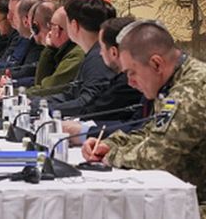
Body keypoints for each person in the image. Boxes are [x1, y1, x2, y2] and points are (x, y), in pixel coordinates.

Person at [82, 20, 206, 209]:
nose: (130, 82)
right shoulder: (175, 83)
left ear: (156, 64)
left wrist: (112, 156)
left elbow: (156, 156)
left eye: (132, 73)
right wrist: (111, 143)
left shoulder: (191, 90)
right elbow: (150, 133)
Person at [63, 16, 146, 144]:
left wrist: (86, 132)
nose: (100, 54)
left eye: (101, 47)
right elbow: (136, 126)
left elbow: (140, 131)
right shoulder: (134, 80)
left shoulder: (132, 82)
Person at [41, 0, 116, 116]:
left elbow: (87, 103)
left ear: (74, 25)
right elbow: (72, 94)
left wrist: (46, 109)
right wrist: (37, 103)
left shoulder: (98, 57)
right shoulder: (94, 53)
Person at [26, 6, 85, 96]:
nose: (50, 31)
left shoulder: (76, 55)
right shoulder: (67, 50)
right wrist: (50, 49)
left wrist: (48, 50)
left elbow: (46, 89)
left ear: (57, 30)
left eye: (51, 26)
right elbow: (40, 84)